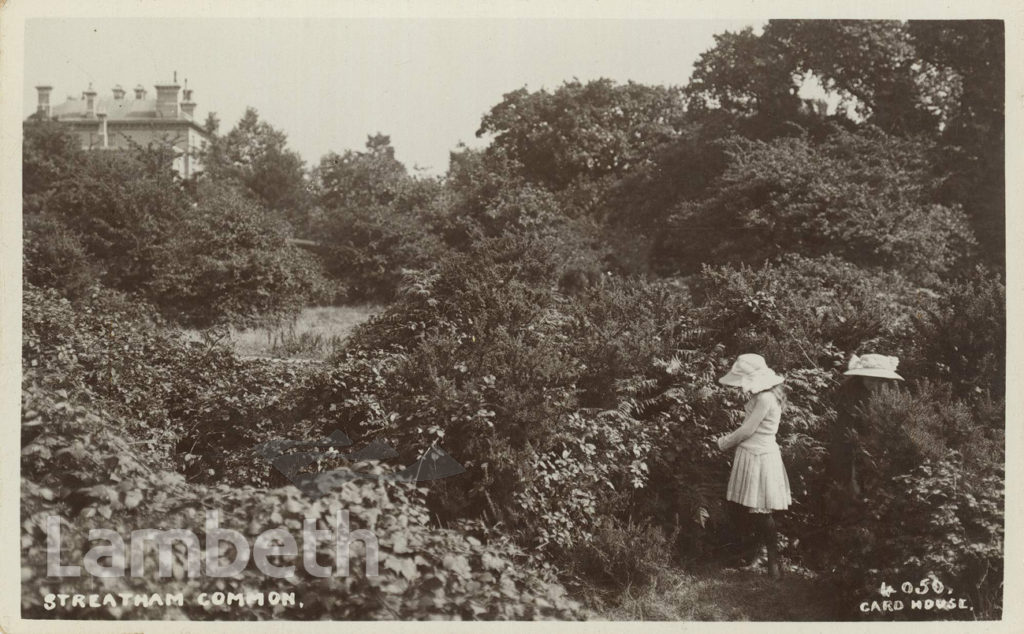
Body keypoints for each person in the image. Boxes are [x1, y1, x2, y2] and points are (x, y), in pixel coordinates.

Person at [715, 353, 791, 579]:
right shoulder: (761, 396)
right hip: (753, 454)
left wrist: (722, 442)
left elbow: (748, 430)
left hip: (760, 456)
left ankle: (773, 564)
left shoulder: (765, 398)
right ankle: (757, 558)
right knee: (752, 510)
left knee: (761, 511)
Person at [828, 353, 904, 501]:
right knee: (848, 476)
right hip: (851, 438)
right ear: (860, 377)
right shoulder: (850, 392)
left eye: (878, 380)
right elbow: (845, 426)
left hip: (878, 440)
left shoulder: (888, 392)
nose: (873, 384)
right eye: (869, 379)